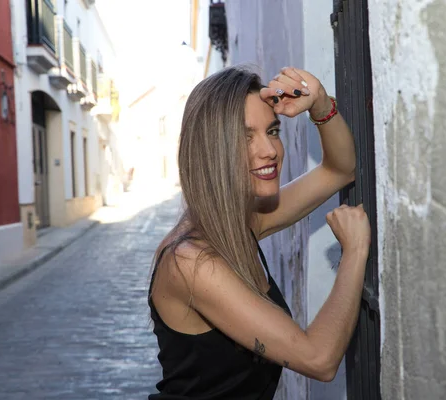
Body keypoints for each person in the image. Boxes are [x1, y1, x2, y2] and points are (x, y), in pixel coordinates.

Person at [148, 66, 371, 399]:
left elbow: (339, 169)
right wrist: (354, 253)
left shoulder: (239, 223)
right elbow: (319, 359)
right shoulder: (192, 262)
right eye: (245, 136)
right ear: (212, 150)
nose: (269, 150)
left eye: (273, 131)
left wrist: (320, 104)